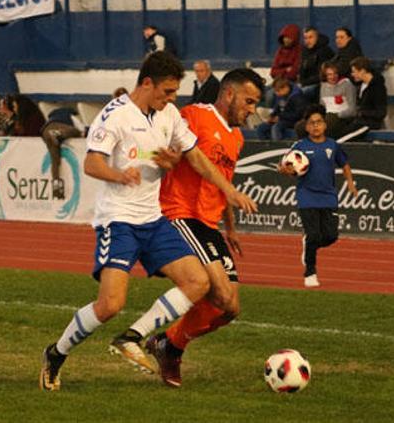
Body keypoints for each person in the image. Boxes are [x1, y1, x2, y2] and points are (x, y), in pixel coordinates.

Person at [39, 52, 257, 392]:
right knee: (110, 304)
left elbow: (195, 156)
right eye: (167, 91)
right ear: (146, 84)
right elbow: (91, 164)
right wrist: (119, 175)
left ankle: (132, 338)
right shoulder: (114, 116)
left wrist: (226, 189)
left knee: (198, 282)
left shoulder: (168, 114)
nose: (173, 99)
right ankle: (56, 352)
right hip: (119, 221)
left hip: (153, 219)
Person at [133, 68, 265, 388]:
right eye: (249, 101)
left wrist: (230, 228)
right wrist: (152, 161)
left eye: (255, 104)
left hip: (209, 223)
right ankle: (165, 346)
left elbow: (224, 185)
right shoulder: (194, 115)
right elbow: (154, 147)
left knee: (230, 308)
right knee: (216, 291)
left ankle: (170, 344)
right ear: (229, 94)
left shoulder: (237, 137)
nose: (252, 110)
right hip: (180, 213)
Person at [278, 104, 358, 287]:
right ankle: (310, 273)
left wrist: (351, 184)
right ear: (306, 127)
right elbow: (285, 166)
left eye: (319, 122)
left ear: (325, 125)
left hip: (329, 196)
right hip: (307, 196)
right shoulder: (300, 146)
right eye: (312, 123)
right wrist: (284, 169)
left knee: (331, 236)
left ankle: (308, 245)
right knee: (313, 234)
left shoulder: (333, 145)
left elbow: (344, 164)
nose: (315, 126)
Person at [326, 56, 387, 142]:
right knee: (334, 129)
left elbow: (381, 113)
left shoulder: (378, 87)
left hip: (368, 123)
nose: (352, 74)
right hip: (358, 121)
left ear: (362, 71)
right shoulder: (361, 85)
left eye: (354, 72)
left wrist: (361, 113)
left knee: (339, 141)